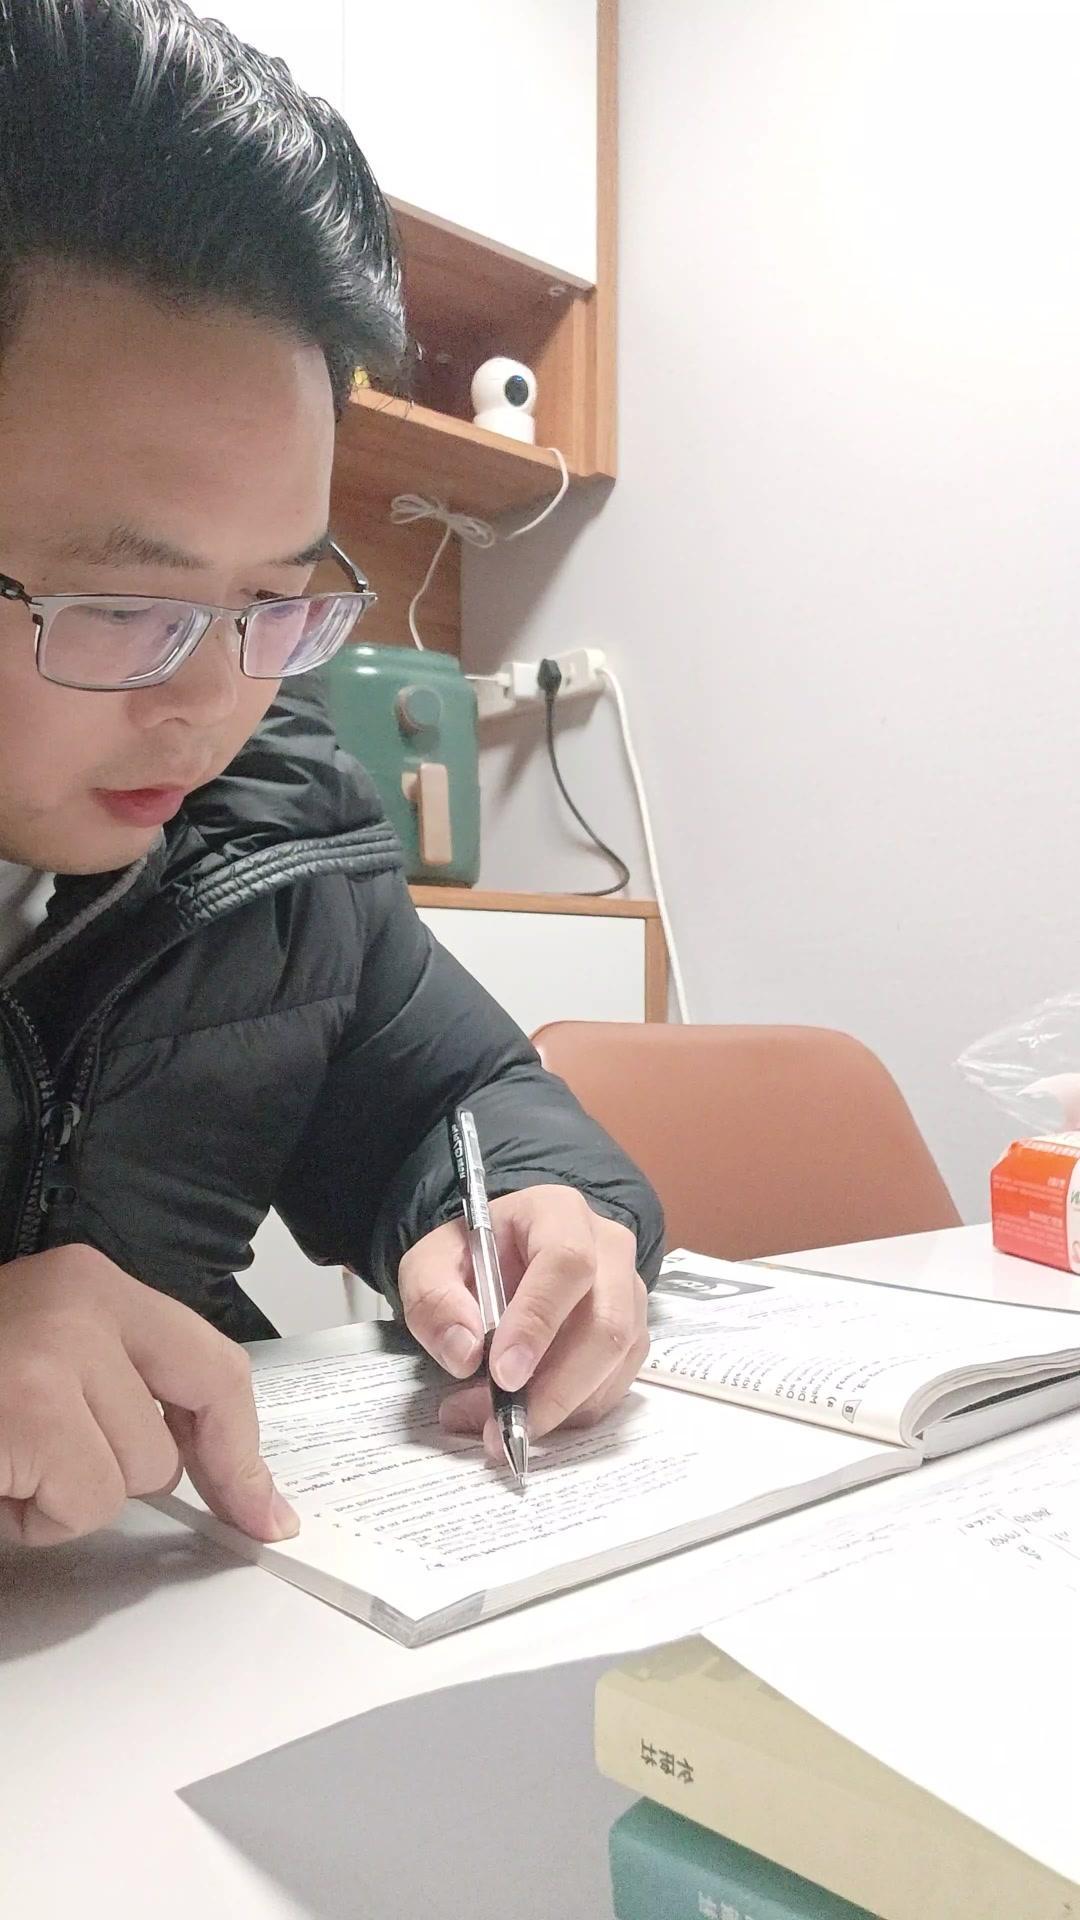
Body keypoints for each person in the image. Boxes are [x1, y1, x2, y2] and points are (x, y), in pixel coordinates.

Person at [0, 0, 663, 1552]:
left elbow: (464, 1094)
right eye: (126, 606)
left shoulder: (278, 824)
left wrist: (534, 1221)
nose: (216, 705)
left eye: (276, 601)